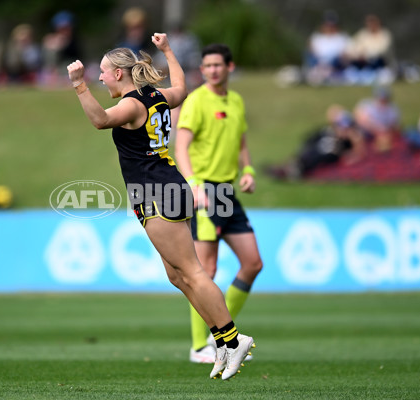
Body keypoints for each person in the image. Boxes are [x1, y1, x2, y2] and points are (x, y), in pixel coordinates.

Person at [66, 33, 255, 380]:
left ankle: (233, 338)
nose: (101, 78)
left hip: (156, 192)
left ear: (119, 74)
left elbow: (99, 120)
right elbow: (181, 87)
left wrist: (79, 86)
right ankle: (221, 340)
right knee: (177, 276)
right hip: (166, 187)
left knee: (193, 272)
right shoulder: (157, 96)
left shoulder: (132, 104)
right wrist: (167, 50)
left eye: (104, 73)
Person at [174, 43, 262, 365]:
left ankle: (220, 335)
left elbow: (241, 141)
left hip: (228, 192)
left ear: (230, 67)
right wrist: (194, 185)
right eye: (207, 65)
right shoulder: (197, 100)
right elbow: (180, 146)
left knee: (253, 263)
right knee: (205, 269)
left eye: (217, 65)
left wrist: (248, 169)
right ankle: (200, 346)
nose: (212, 70)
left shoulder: (235, 101)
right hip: (207, 191)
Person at [267, 105, 366, 180]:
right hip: (308, 154)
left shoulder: (347, 142)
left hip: (319, 159)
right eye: (340, 126)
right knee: (308, 153)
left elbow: (358, 153)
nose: (342, 130)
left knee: (319, 155)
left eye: (345, 128)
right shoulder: (327, 131)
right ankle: (287, 167)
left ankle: (291, 169)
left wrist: (354, 138)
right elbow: (332, 109)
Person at [0, 23, 43, 90]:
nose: (23, 40)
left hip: (24, 72)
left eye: (25, 38)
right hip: (9, 71)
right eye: (20, 37)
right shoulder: (10, 48)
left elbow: (33, 64)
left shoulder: (33, 48)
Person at [345, 14, 395, 85]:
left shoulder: (385, 34)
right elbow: (353, 47)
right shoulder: (363, 34)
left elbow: (382, 50)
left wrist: (366, 54)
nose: (371, 24)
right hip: (363, 63)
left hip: (380, 64)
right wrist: (356, 54)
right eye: (369, 22)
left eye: (373, 22)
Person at [304, 10, 351, 85]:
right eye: (327, 25)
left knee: (335, 59)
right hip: (318, 62)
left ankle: (325, 74)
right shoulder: (316, 37)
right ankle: (318, 73)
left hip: (334, 63)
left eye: (331, 25)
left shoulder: (343, 38)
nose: (329, 28)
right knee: (308, 55)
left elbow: (346, 54)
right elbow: (312, 51)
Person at [353, 85, 401, 152]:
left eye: (384, 99)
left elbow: (395, 127)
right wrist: (376, 128)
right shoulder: (367, 105)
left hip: (382, 134)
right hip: (365, 131)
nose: (382, 102)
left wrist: (384, 132)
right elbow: (359, 118)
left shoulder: (392, 110)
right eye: (380, 99)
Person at [41, 10, 80, 86]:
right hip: (53, 71)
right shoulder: (50, 39)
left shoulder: (74, 41)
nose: (65, 31)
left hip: (68, 70)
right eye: (62, 28)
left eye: (67, 28)